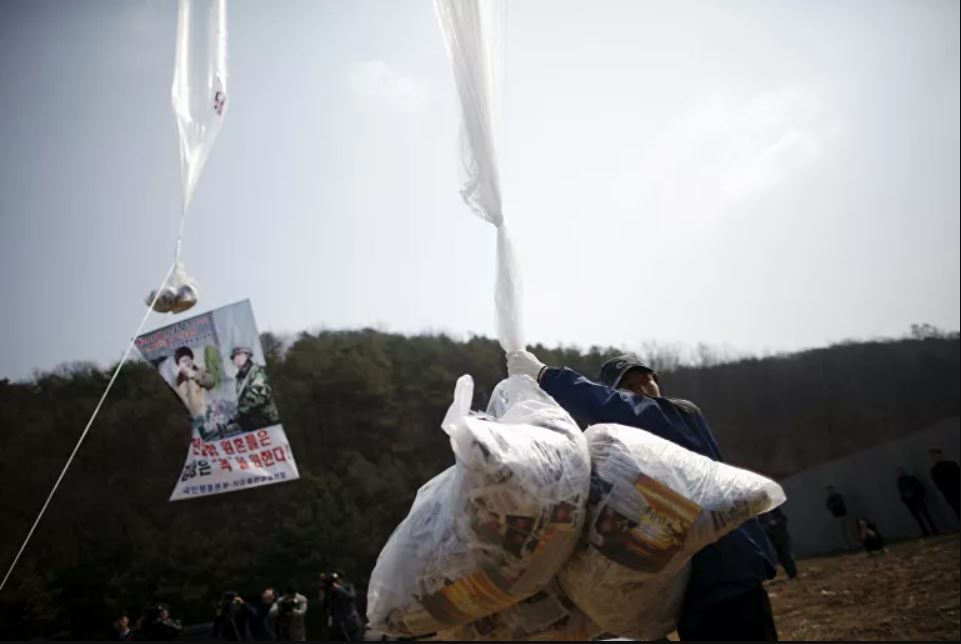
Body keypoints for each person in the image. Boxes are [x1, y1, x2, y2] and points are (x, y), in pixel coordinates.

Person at [507, 351, 779, 642]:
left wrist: (546, 376)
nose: (643, 391)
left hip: (730, 579)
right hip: (689, 597)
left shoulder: (678, 415)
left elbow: (625, 410)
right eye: (630, 387)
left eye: (647, 381)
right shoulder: (624, 462)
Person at [231, 347, 281, 432]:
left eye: (240, 354)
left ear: (248, 356)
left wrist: (241, 411)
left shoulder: (258, 371)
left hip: (269, 419)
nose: (236, 358)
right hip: (254, 422)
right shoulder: (239, 378)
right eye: (234, 357)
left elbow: (256, 394)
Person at [320, 572, 364, 641]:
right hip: (339, 629)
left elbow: (350, 597)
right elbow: (329, 609)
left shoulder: (348, 587)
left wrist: (339, 588)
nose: (335, 583)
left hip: (352, 625)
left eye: (337, 580)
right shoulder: (331, 594)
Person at [174, 346, 215, 419]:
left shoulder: (202, 371)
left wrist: (195, 375)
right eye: (183, 361)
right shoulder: (178, 382)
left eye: (188, 359)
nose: (187, 363)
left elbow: (210, 383)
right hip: (193, 418)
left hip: (209, 414)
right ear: (179, 365)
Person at [758, 507, 797, 579]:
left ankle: (792, 573)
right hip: (771, 538)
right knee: (780, 557)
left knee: (786, 555)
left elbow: (784, 518)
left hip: (781, 536)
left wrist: (775, 522)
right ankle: (789, 572)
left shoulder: (776, 509)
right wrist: (766, 526)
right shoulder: (760, 514)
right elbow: (760, 525)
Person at [896, 469, 938, 536]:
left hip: (916, 499)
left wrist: (918, 496)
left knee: (925, 516)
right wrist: (905, 498)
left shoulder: (910, 480)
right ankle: (926, 530)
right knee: (919, 517)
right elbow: (902, 492)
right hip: (911, 501)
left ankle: (932, 529)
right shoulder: (900, 482)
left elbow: (919, 487)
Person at [929, 448, 960, 517]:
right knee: (958, 511)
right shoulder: (934, 470)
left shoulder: (951, 464)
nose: (934, 458)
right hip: (951, 495)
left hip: (955, 491)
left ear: (940, 455)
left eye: (935, 455)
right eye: (932, 456)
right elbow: (938, 485)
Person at [824, 486, 857, 550]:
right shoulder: (829, 499)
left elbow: (840, 502)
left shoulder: (838, 496)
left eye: (832, 490)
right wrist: (835, 504)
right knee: (843, 532)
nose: (831, 491)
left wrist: (834, 504)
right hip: (837, 517)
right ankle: (847, 545)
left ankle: (855, 543)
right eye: (829, 490)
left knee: (850, 529)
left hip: (844, 514)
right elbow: (829, 507)